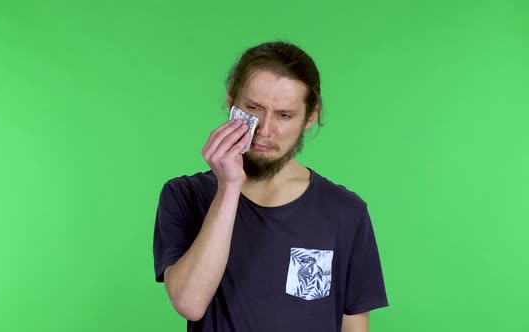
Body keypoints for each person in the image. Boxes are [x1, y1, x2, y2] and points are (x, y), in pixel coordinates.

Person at [153, 41, 388, 331]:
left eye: (284, 115)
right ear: (231, 104)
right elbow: (190, 303)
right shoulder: (183, 195)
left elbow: (353, 323)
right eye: (252, 108)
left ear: (309, 118)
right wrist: (228, 188)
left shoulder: (345, 211)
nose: (264, 130)